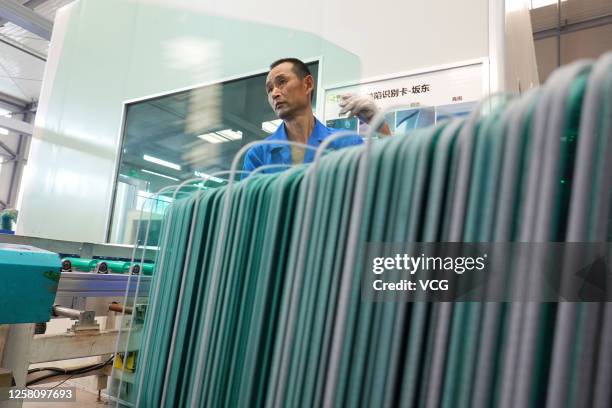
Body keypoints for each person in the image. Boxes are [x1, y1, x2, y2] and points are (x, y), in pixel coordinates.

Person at [242, 57, 389, 175]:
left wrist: (381, 126)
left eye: (282, 82)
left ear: (307, 84)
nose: (274, 93)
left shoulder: (346, 144)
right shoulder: (258, 155)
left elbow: (384, 184)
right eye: (269, 89)